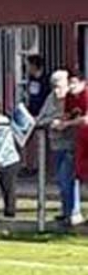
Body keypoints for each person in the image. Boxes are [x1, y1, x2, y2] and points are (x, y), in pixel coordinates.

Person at [40, 70, 83, 225]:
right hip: (55, 144)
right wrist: (52, 121)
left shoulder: (72, 99)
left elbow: (79, 118)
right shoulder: (51, 98)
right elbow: (41, 117)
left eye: (60, 86)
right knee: (61, 180)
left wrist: (64, 123)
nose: (57, 90)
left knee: (68, 180)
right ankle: (66, 212)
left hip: (71, 144)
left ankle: (74, 213)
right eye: (54, 86)